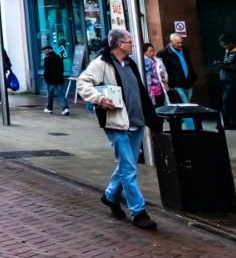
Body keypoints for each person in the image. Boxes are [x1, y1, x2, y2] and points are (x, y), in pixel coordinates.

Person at [76, 27, 159, 231]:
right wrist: (99, 98)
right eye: (129, 42)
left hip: (136, 121)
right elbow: (83, 82)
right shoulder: (101, 63)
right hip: (117, 122)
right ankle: (138, 211)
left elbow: (140, 90)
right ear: (119, 44)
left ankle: (110, 196)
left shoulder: (131, 63)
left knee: (126, 164)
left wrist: (151, 118)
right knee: (129, 168)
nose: (132, 45)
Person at [156, 33, 197, 106]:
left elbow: (189, 64)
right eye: (178, 43)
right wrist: (170, 80)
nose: (180, 44)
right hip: (176, 84)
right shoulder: (163, 53)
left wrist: (193, 76)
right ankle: (188, 118)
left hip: (189, 82)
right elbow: (160, 70)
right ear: (171, 42)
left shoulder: (184, 50)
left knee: (187, 104)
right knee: (185, 104)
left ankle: (186, 117)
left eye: (181, 42)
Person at [218, 34, 236, 129]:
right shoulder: (228, 51)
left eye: (224, 45)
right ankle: (232, 121)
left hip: (233, 82)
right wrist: (221, 64)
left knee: (228, 102)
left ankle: (229, 122)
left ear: (230, 43)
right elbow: (228, 63)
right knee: (230, 102)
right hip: (226, 82)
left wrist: (223, 66)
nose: (224, 47)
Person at [141, 42, 170, 111]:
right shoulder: (142, 63)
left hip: (160, 90)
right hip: (151, 93)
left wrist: (164, 77)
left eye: (153, 50)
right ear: (144, 52)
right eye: (150, 51)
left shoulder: (158, 61)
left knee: (162, 111)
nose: (152, 53)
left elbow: (165, 74)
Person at [42, 45, 69, 115]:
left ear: (48, 50)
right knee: (61, 94)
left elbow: (46, 71)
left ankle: (49, 108)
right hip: (60, 79)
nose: (44, 52)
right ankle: (65, 108)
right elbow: (62, 69)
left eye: (45, 50)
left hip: (51, 81)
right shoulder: (59, 57)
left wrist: (46, 79)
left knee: (50, 95)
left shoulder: (47, 59)